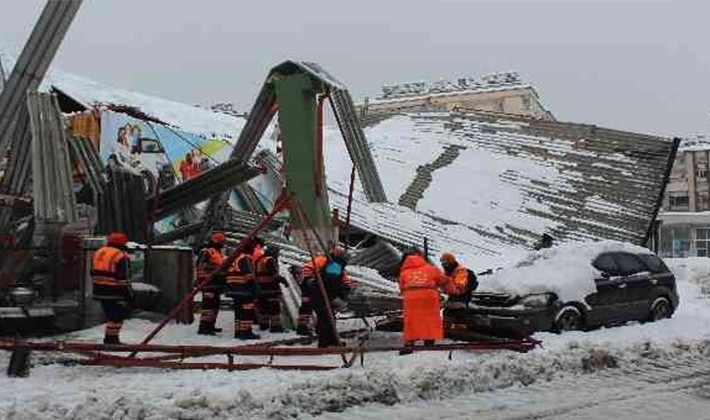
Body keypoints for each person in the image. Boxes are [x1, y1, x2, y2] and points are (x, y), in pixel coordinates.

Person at [298, 247, 353, 347]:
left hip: (325, 293)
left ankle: (332, 340)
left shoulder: (336, 265)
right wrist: (309, 279)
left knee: (329, 317)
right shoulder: (331, 264)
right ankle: (323, 343)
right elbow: (331, 282)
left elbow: (341, 279)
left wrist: (347, 288)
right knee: (325, 317)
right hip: (320, 293)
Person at [398, 248, 450, 355]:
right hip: (429, 297)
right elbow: (443, 280)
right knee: (429, 318)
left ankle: (409, 345)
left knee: (411, 320)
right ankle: (429, 342)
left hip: (411, 298)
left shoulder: (404, 272)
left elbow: (402, 287)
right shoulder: (431, 269)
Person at [91, 232, 133, 345]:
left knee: (111, 316)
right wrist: (129, 295)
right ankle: (112, 340)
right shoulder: (120, 256)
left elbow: (92, 271)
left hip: (98, 290)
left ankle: (110, 339)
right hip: (114, 291)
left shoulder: (99, 252)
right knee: (117, 317)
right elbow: (124, 278)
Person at [226, 240, 260, 340]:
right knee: (247, 310)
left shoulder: (236, 257)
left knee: (238, 311)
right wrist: (255, 288)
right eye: (253, 248)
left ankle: (238, 332)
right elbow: (249, 275)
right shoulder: (246, 258)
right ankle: (246, 332)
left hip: (233, 288)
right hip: (243, 288)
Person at [196, 231, 227, 335]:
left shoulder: (217, 252)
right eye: (222, 241)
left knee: (215, 305)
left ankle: (210, 326)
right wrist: (217, 269)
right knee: (208, 307)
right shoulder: (206, 251)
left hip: (216, 283)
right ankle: (204, 328)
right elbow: (201, 266)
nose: (223, 243)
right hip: (209, 283)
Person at [254, 245, 287, 333]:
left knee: (263, 307)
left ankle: (263, 325)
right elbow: (274, 274)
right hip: (271, 288)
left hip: (261, 288)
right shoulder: (270, 260)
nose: (278, 254)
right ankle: (276, 327)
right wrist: (283, 280)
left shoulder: (259, 259)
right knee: (274, 307)